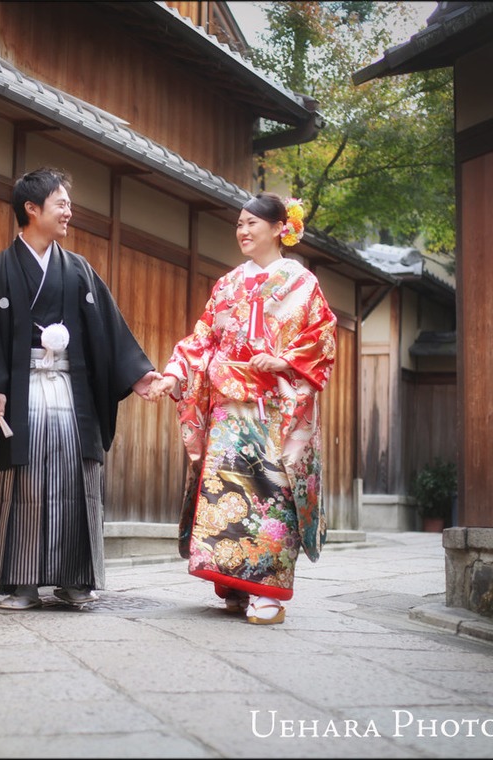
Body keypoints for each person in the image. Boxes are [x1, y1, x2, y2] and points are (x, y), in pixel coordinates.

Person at [0, 167, 161, 610]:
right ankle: (20, 581)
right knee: (22, 481)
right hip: (20, 390)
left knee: (73, 478)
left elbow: (109, 331)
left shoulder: (79, 271)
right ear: (32, 208)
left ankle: (73, 578)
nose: (69, 211)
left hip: (70, 390)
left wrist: (137, 373)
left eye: (67, 203)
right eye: (60, 203)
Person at [147, 192, 336, 625]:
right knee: (226, 496)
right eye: (239, 224)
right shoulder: (229, 284)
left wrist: (285, 361)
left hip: (274, 408)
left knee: (271, 496)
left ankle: (267, 591)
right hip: (228, 411)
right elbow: (202, 339)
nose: (243, 231)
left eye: (252, 223)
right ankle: (235, 584)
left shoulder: (301, 282)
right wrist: (175, 374)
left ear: (278, 228)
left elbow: (321, 338)